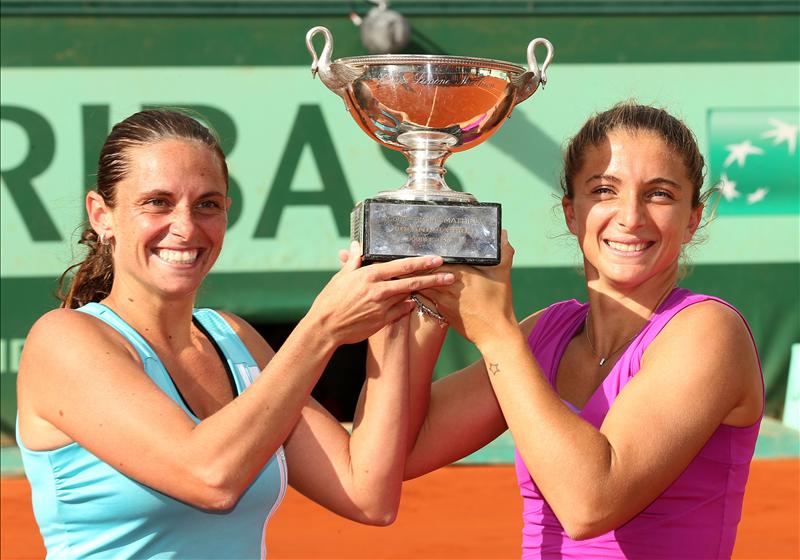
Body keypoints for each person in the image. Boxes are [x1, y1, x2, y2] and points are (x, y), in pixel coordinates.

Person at [15, 108, 455, 559]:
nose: (185, 227)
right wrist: (321, 329)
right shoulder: (64, 339)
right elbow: (210, 477)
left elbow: (366, 494)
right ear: (102, 215)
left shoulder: (232, 338)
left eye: (207, 204)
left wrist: (395, 311)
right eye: (157, 202)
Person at [400, 102, 764, 558]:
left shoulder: (709, 331)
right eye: (604, 190)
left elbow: (590, 503)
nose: (630, 216)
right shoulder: (545, 335)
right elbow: (399, 451)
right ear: (572, 213)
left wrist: (494, 330)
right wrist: (418, 296)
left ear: (692, 218)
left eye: (660, 194)